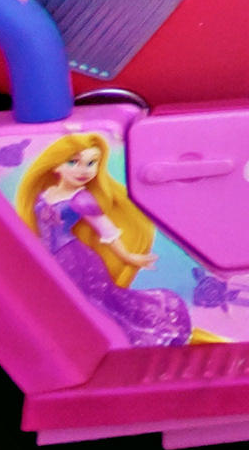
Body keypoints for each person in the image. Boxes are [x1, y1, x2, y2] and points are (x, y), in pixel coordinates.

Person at [19, 131, 193, 345]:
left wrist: (128, 256)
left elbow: (107, 231)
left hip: (74, 261)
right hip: (52, 258)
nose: (84, 170)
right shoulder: (44, 193)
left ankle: (112, 339)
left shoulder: (82, 200)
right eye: (74, 162)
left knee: (90, 302)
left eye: (92, 163)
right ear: (56, 165)